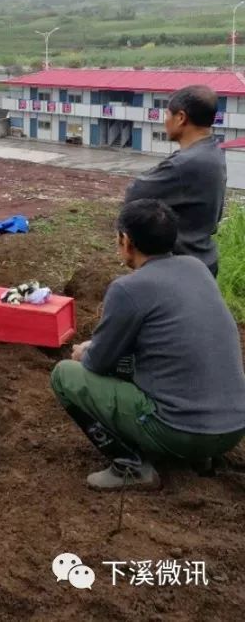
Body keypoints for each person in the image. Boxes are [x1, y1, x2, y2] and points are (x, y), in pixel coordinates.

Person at [50, 199, 245, 491]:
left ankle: (129, 465)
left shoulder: (128, 288)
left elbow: (97, 363)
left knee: (65, 374)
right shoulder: (197, 268)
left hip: (180, 431)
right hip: (232, 426)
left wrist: (85, 351)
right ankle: (203, 457)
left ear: (126, 241)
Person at [124, 85, 225, 277]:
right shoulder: (212, 151)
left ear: (180, 118)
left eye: (167, 114)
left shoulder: (185, 163)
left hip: (180, 268)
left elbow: (134, 194)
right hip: (202, 259)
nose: (165, 121)